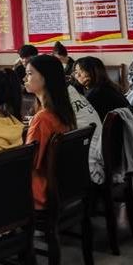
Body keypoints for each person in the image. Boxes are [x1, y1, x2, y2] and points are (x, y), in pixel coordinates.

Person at [24, 54, 77, 209]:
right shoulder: (63, 112)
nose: (24, 78)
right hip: (62, 186)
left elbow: (30, 162)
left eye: (29, 73)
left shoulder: (42, 118)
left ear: (45, 78)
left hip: (39, 192)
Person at [73, 56, 133, 121]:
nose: (78, 75)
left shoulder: (98, 93)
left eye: (82, 71)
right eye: (76, 72)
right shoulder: (109, 86)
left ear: (95, 71)